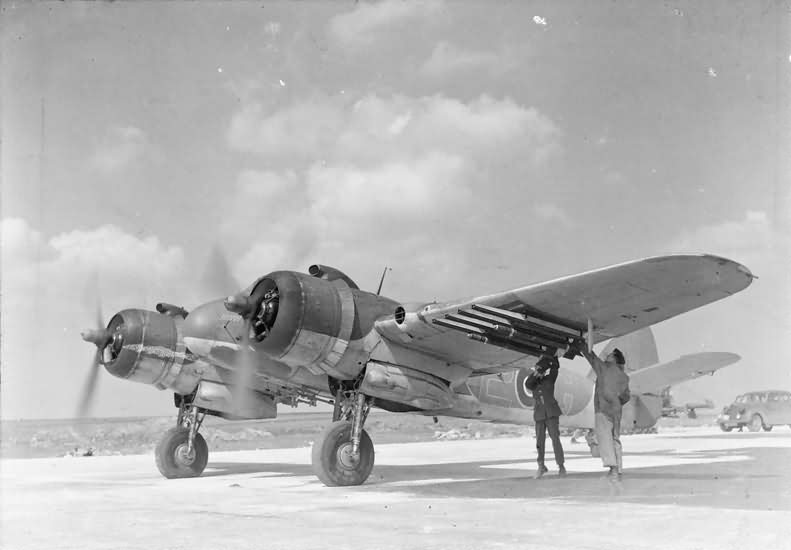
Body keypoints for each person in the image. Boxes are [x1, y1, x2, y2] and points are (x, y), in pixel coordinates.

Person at [580, 347, 631, 480]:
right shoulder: (624, 377)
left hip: (602, 409)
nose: (606, 357)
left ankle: (613, 470)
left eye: (609, 355)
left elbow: (591, 357)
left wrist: (580, 345)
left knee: (604, 439)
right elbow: (626, 396)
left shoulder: (604, 368)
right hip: (616, 410)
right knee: (615, 439)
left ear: (614, 359)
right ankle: (618, 469)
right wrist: (616, 402)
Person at [525, 355, 566, 478]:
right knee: (539, 441)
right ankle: (541, 466)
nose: (541, 373)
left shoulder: (550, 379)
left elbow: (556, 368)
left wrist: (550, 359)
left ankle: (561, 466)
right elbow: (528, 384)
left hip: (551, 413)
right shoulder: (532, 382)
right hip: (539, 414)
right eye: (538, 370)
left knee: (555, 440)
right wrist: (537, 372)